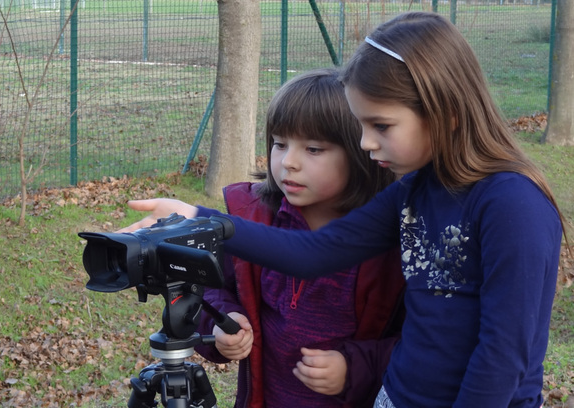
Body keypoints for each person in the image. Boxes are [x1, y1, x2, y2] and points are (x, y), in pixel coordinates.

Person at [119, 11, 567, 407]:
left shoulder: (513, 205)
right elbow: (314, 253)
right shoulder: (414, 191)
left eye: (381, 125)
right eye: (361, 125)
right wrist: (200, 218)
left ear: (444, 111)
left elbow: (505, 353)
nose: (366, 142)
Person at [190, 68, 405, 408]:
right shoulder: (254, 221)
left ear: (362, 153)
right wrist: (220, 327)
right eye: (279, 144)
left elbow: (418, 345)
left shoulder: (392, 245)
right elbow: (207, 291)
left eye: (314, 149)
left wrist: (354, 367)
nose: (288, 162)